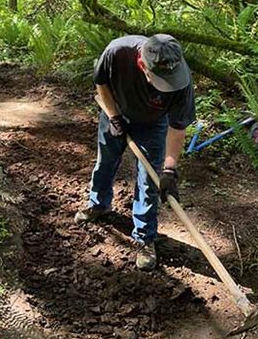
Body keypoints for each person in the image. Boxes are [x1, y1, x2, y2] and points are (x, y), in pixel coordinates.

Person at [74, 34, 196, 271]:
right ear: (142, 65)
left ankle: (145, 237)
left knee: (149, 180)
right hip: (116, 111)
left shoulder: (182, 80)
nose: (167, 84)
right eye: (160, 79)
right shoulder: (117, 52)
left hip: (153, 124)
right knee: (106, 162)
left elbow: (177, 128)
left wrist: (169, 169)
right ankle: (98, 204)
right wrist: (113, 116)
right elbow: (102, 83)